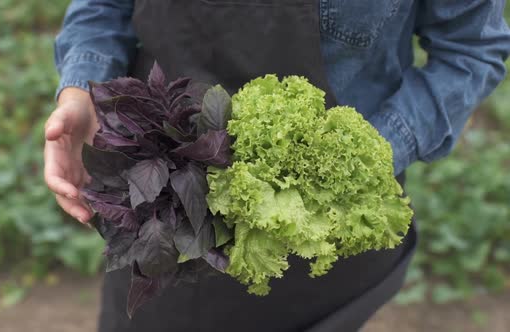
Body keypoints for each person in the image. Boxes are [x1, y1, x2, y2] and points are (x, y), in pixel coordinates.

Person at [44, 1, 510, 331]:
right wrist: (81, 89)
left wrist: (357, 159)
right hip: (165, 209)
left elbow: (469, 50)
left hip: (319, 228)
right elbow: (103, 6)